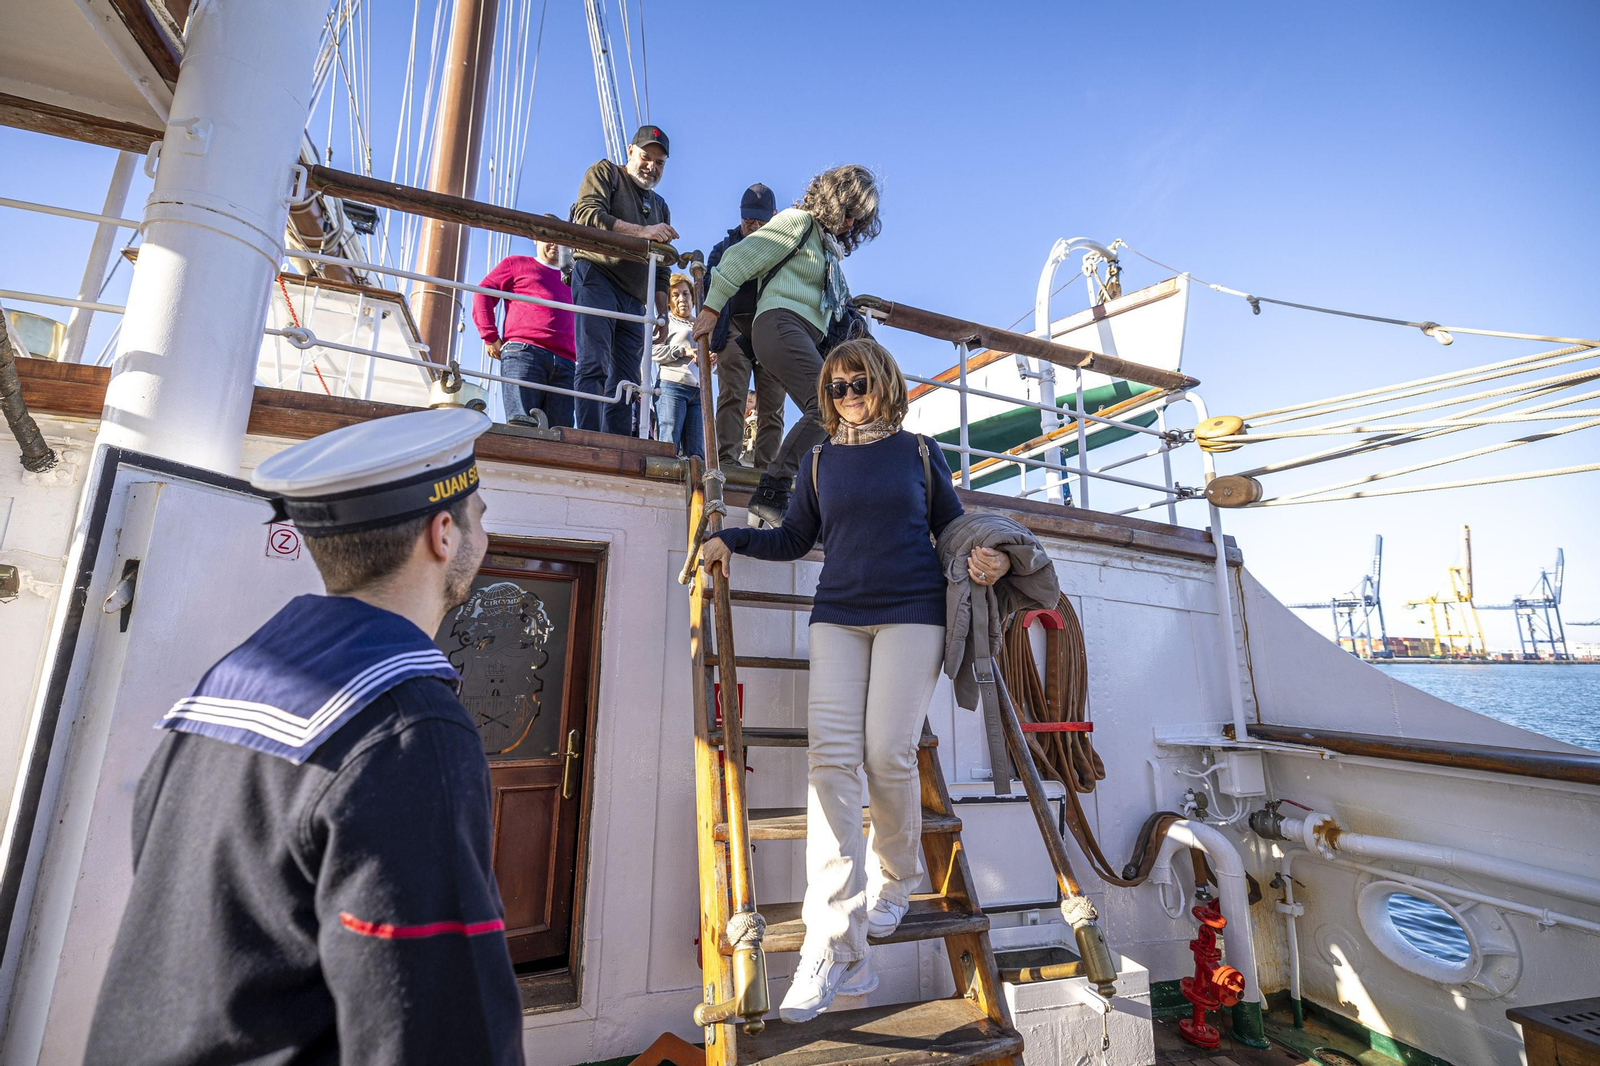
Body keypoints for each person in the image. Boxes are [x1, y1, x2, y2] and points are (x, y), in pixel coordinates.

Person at [84, 408, 524, 1066]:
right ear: (442, 534)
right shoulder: (407, 724)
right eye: (478, 517)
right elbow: (436, 1023)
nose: (483, 533)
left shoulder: (227, 684)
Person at [698, 338, 1011, 1023]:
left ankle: (898, 880)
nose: (848, 395)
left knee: (884, 754)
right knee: (829, 763)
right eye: (837, 387)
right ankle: (832, 939)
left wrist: (987, 558)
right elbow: (790, 540)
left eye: (859, 383)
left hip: (912, 612)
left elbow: (952, 531)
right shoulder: (818, 461)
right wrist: (733, 540)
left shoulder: (921, 454)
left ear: (884, 383)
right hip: (837, 615)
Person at [694, 165, 882, 525]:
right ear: (832, 201)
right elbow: (737, 259)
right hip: (779, 323)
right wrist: (710, 311)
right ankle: (771, 492)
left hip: (802, 333)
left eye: (858, 221)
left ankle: (821, 501)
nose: (849, 225)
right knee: (828, 405)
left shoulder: (828, 252)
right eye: (848, 213)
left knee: (842, 419)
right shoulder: (798, 222)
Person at [571, 124, 677, 435]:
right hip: (597, 276)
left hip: (635, 296)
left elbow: (662, 265)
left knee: (628, 380)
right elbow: (588, 215)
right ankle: (587, 437)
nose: (651, 167)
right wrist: (644, 232)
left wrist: (662, 312)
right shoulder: (605, 172)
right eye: (646, 157)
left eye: (659, 163)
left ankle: (616, 444)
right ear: (630, 152)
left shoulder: (661, 206)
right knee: (594, 362)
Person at [704, 183, 785, 469]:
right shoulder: (723, 248)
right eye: (748, 218)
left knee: (773, 405)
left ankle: (768, 467)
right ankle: (726, 460)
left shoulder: (786, 249)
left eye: (761, 219)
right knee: (731, 396)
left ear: (774, 216)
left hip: (773, 333)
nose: (754, 225)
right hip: (734, 331)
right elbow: (708, 287)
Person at [474, 227, 576, 428]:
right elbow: (482, 293)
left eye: (560, 239)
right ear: (536, 240)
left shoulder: (574, 278)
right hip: (525, 353)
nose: (555, 243)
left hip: (566, 363)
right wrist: (490, 336)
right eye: (548, 238)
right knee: (522, 426)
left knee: (559, 433)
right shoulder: (516, 264)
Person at [652, 273, 705, 458]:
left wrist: (711, 359)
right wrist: (683, 351)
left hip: (699, 391)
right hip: (672, 387)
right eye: (675, 295)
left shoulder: (701, 324)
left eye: (685, 294)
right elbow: (652, 352)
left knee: (697, 455)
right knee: (668, 446)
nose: (682, 299)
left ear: (692, 297)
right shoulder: (664, 322)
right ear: (668, 301)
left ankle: (695, 488)